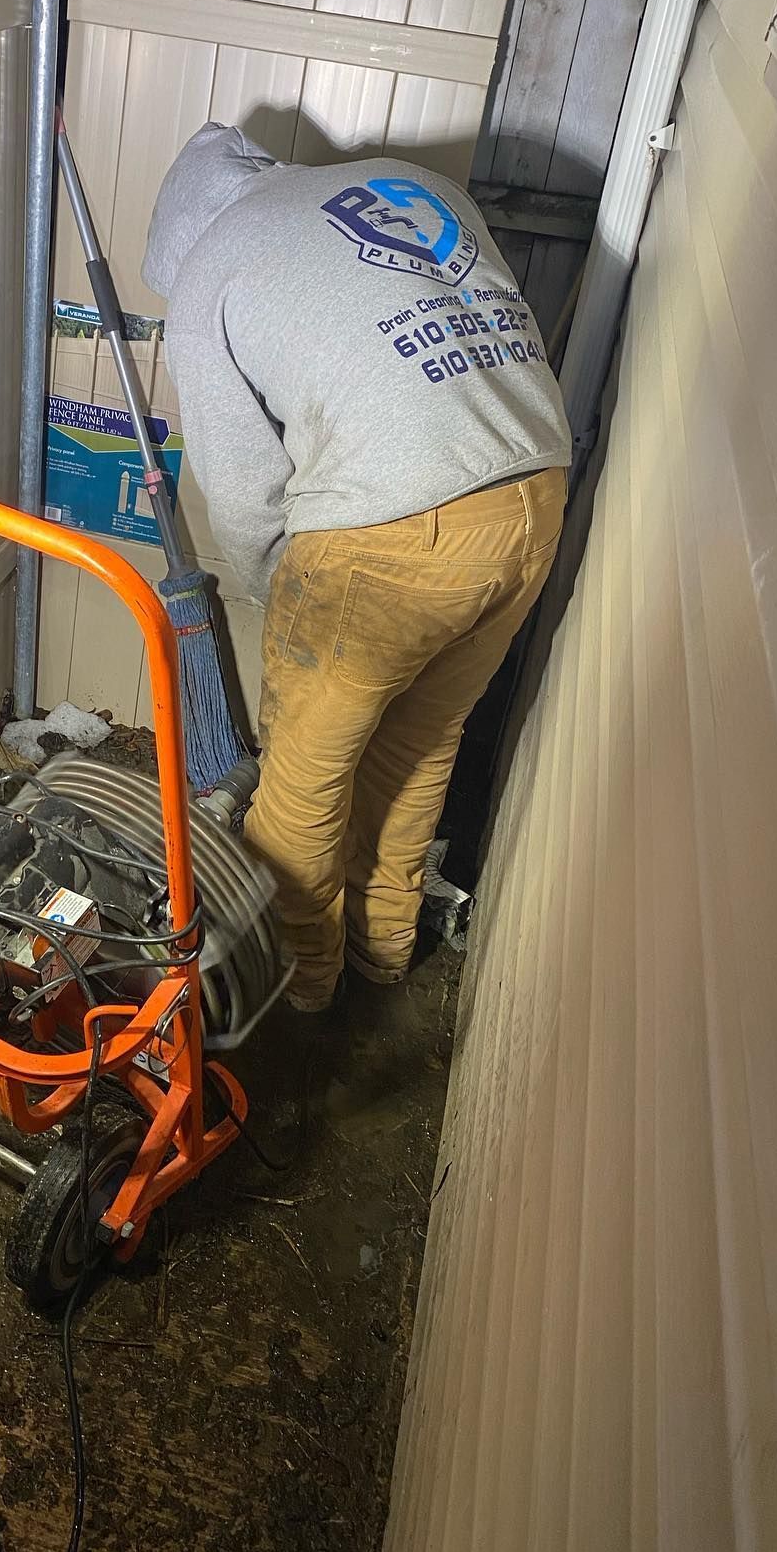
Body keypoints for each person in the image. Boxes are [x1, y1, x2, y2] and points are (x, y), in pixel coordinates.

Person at [141, 124, 571, 1013]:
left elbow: (243, 485)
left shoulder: (212, 270)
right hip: (535, 490)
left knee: (301, 783)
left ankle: (302, 993)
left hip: (393, 528)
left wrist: (277, 592)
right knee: (418, 749)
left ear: (181, 238)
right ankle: (384, 953)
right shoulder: (406, 183)